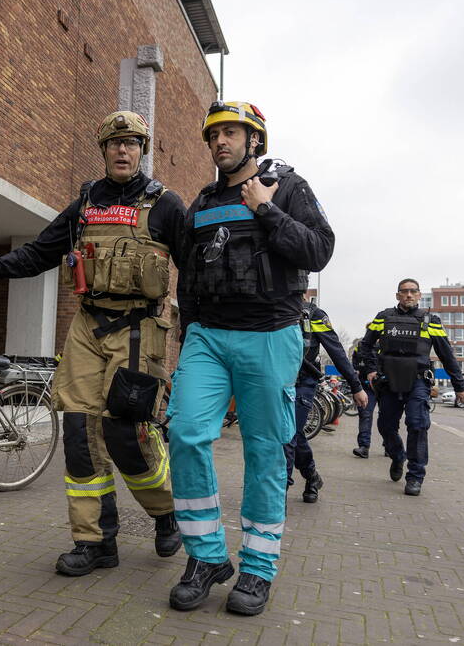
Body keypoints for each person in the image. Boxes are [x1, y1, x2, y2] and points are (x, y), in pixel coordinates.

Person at [0, 111, 186, 575]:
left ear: (142, 149)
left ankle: (165, 513)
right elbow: (39, 253)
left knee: (125, 434)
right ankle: (95, 543)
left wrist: (196, 347)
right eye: (114, 143)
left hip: (138, 331)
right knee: (78, 433)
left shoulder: (167, 206)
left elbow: (192, 275)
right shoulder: (85, 204)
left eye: (132, 143)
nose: (123, 150)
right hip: (88, 329)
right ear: (104, 151)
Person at [165, 101, 334, 615]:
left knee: (265, 450)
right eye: (213, 134)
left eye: (231, 133)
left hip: (269, 333)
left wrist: (266, 208)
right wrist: (189, 330)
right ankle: (207, 557)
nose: (220, 141)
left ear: (253, 140)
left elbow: (319, 250)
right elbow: (189, 272)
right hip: (208, 338)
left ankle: (257, 568)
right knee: (185, 432)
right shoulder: (202, 200)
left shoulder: (286, 186)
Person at [358, 279, 464, 496]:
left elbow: (446, 354)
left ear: (419, 295)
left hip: (417, 380)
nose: (408, 295)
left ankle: (415, 476)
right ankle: (397, 455)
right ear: (397, 295)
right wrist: (370, 370)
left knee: (417, 424)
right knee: (386, 426)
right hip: (388, 380)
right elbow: (366, 346)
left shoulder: (431, 321)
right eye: (404, 291)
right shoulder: (383, 317)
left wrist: (460, 386)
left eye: (413, 291)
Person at [287, 300, 368, 501]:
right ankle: (311, 475)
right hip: (273, 381)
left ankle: (280, 489)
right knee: (286, 435)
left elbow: (336, 351)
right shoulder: (269, 308)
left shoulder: (313, 314)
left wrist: (356, 386)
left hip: (302, 381)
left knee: (290, 432)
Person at [351, 340, 380, 458]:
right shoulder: (361, 346)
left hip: (385, 385)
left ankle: (389, 446)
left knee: (387, 417)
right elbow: (354, 361)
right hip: (366, 385)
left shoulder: (387, 343)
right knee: (365, 414)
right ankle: (364, 447)